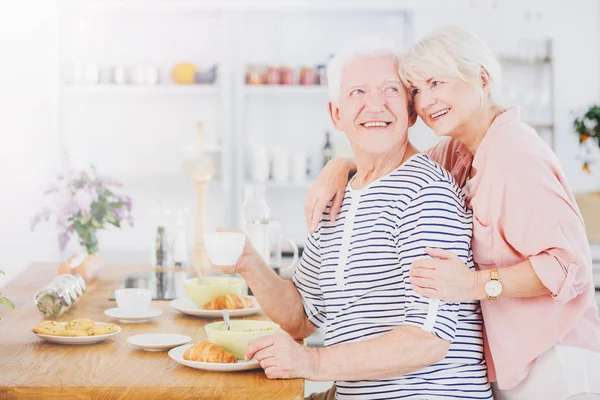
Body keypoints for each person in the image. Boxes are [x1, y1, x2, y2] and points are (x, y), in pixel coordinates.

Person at [305, 26, 600, 400]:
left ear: (481, 77)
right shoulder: (458, 152)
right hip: (515, 364)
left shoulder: (516, 153)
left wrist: (474, 284)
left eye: (436, 82)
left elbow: (567, 267)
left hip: (556, 364)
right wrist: (338, 167)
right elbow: (385, 161)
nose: (425, 101)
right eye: (416, 90)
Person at [216, 38, 492, 399]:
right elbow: (301, 316)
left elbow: (427, 341)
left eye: (390, 90)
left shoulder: (426, 194)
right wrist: (250, 263)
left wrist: (310, 363)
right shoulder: (338, 197)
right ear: (336, 114)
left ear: (411, 111)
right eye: (358, 92)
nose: (374, 105)